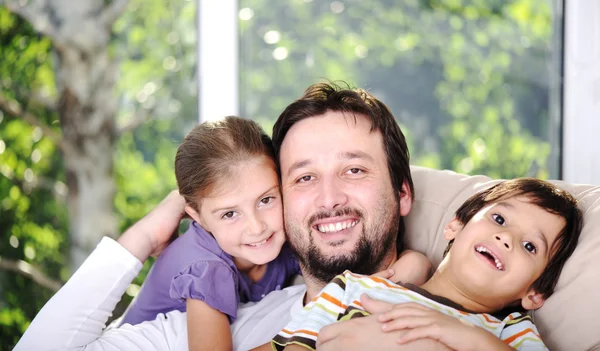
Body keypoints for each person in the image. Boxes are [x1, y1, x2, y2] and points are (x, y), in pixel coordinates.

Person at [15, 82, 466, 351]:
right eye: (304, 178)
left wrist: (409, 276)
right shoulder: (233, 305)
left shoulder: (434, 326)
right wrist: (147, 235)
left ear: (404, 192)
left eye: (353, 170)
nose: (329, 198)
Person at [119, 115, 429, 351]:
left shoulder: (282, 241)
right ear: (197, 218)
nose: (256, 227)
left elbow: (411, 263)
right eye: (229, 214)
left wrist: (412, 266)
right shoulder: (205, 267)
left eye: (266, 200)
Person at [272, 178, 583, 351]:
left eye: (530, 246)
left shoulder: (507, 330)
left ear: (535, 293)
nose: (506, 238)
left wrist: (464, 337)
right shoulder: (355, 287)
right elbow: (295, 346)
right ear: (456, 226)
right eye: (499, 219)